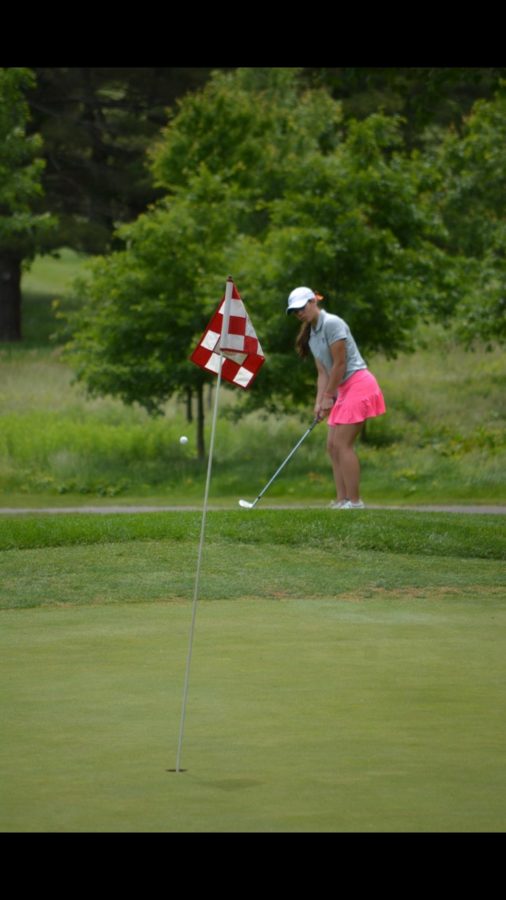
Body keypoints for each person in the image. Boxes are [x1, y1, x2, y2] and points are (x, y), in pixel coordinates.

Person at [286, 286, 386, 509]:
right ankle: (342, 501)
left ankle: (355, 501)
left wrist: (329, 396)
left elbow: (340, 365)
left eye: (302, 308)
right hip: (341, 388)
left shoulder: (332, 323)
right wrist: (319, 402)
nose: (299, 313)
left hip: (358, 384)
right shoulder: (311, 335)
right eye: (295, 311)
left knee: (342, 444)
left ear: (313, 302)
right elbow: (323, 372)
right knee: (332, 445)